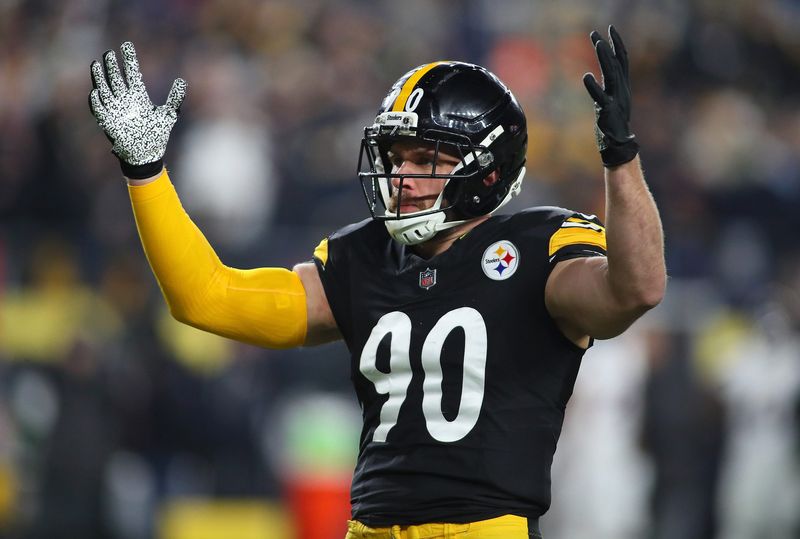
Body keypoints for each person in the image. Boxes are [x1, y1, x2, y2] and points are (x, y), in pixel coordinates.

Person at [88, 25, 665, 539]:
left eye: (425, 159)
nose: (402, 175)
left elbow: (636, 289)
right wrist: (146, 174)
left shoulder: (539, 245)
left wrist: (620, 157)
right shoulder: (364, 256)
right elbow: (206, 298)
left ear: (487, 171)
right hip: (369, 528)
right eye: (396, 156)